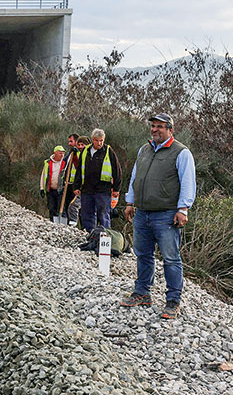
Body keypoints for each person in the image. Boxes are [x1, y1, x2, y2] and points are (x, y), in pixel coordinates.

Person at [121, 113, 197, 320]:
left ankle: (173, 301)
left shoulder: (181, 153)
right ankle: (142, 293)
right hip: (142, 213)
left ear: (170, 129)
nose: (154, 130)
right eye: (153, 126)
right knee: (143, 255)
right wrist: (130, 201)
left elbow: (188, 182)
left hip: (166, 215)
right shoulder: (144, 150)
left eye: (160, 127)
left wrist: (183, 210)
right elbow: (135, 177)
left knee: (171, 259)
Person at [72, 128, 122, 232]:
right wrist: (76, 186)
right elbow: (79, 170)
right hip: (87, 189)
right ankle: (89, 236)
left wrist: (116, 189)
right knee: (87, 214)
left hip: (103, 190)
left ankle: (105, 237)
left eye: (101, 140)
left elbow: (117, 170)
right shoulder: (85, 151)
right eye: (97, 140)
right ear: (92, 140)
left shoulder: (108, 151)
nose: (99, 143)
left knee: (104, 215)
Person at [39, 146, 68, 221]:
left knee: (60, 207)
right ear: (55, 153)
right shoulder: (48, 163)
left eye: (63, 153)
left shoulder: (65, 163)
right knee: (51, 207)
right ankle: (52, 221)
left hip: (61, 190)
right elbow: (43, 176)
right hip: (50, 190)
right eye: (60, 153)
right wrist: (42, 188)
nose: (62, 155)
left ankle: (61, 223)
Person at [62, 134, 84, 226]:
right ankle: (69, 225)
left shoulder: (81, 153)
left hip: (77, 185)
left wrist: (75, 154)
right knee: (67, 206)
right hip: (69, 183)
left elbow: (78, 165)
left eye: (71, 141)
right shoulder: (71, 153)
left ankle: (81, 226)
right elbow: (65, 162)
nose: (69, 143)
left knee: (75, 206)